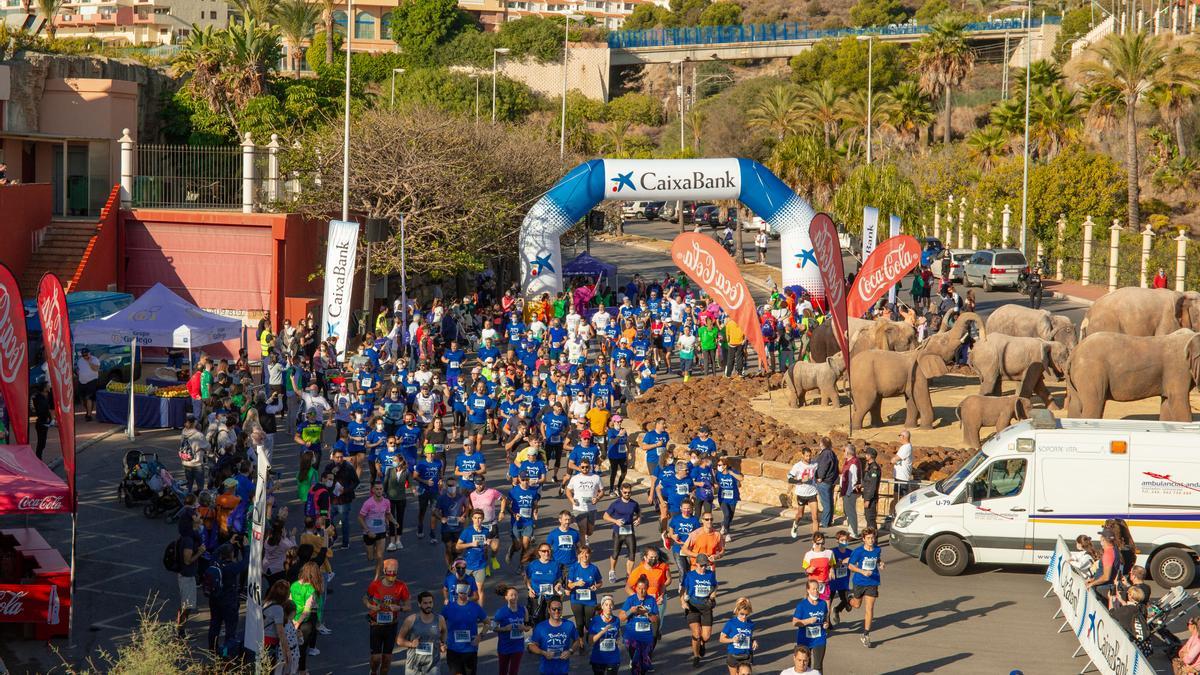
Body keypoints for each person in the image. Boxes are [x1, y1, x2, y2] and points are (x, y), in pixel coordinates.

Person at [364, 559, 411, 675]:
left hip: (391, 626)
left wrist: (399, 608)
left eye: (394, 572)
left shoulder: (401, 586)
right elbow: (365, 598)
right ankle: (373, 672)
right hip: (376, 624)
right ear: (384, 571)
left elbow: (408, 606)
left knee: (387, 659)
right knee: (376, 658)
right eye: (389, 572)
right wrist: (370, 605)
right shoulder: (375, 585)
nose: (392, 575)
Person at [844, 527, 884, 647]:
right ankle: (848, 599)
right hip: (860, 581)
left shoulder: (877, 549)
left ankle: (866, 634)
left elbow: (877, 559)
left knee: (869, 608)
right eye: (868, 538)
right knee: (856, 605)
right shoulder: (858, 551)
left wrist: (881, 564)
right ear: (863, 539)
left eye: (873, 538)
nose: (871, 540)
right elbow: (851, 566)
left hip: (873, 582)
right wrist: (862, 571)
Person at [441, 581, 488, 675]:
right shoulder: (448, 607)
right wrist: (442, 642)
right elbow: (439, 625)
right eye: (461, 592)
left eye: (465, 592)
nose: (463, 595)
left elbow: (487, 623)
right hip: (453, 650)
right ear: (456, 591)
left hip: (470, 650)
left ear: (469, 592)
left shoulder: (475, 607)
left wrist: (480, 636)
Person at [682, 553, 719, 667]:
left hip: (706, 607)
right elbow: (682, 589)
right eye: (701, 565)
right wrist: (683, 602)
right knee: (696, 633)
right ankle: (696, 655)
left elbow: (715, 586)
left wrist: (712, 596)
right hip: (692, 606)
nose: (703, 568)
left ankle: (702, 643)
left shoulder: (710, 574)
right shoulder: (689, 575)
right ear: (696, 564)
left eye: (705, 565)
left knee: (706, 636)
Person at [396, 591, 447, 675]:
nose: (428, 605)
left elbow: (444, 631)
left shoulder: (440, 619)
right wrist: (411, 644)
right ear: (419, 604)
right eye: (425, 603)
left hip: (433, 665)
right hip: (413, 665)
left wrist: (442, 643)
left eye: (430, 602)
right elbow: (399, 640)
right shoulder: (411, 620)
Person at [528, 596, 581, 674]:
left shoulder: (569, 625)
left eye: (559, 609)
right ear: (549, 610)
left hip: (562, 670)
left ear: (562, 610)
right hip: (546, 670)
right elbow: (531, 646)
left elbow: (577, 641)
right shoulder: (541, 627)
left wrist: (570, 651)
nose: (556, 611)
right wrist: (543, 653)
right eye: (554, 609)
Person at [175, 510, 207, 638]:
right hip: (186, 576)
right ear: (192, 520)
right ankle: (180, 631)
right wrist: (200, 552)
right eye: (197, 515)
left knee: (186, 604)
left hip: (188, 575)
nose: (200, 516)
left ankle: (180, 627)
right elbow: (187, 560)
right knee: (187, 605)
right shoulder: (188, 539)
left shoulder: (191, 535)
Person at [619, 576, 659, 675]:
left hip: (646, 637)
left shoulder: (651, 600)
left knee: (644, 663)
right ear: (636, 588)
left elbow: (655, 620)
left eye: (644, 588)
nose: (641, 591)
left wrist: (646, 613)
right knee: (636, 661)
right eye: (639, 588)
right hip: (632, 636)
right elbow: (621, 617)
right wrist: (630, 611)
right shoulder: (631, 600)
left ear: (647, 588)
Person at [603, 482, 642, 583]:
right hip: (618, 532)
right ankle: (612, 570)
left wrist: (638, 519)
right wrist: (615, 521)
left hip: (629, 531)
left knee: (632, 554)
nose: (627, 494)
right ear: (621, 492)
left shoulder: (634, 503)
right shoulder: (615, 504)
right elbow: (605, 516)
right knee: (616, 553)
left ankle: (629, 574)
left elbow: (639, 513)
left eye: (629, 492)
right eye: (625, 492)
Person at [290, 562, 325, 670]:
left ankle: (291, 669)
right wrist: (298, 623)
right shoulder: (311, 589)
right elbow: (307, 610)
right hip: (306, 621)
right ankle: (302, 670)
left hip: (293, 617)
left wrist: (291, 620)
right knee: (302, 648)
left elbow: (290, 601)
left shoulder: (294, 585)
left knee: (291, 645)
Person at [457, 509, 494, 607]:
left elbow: (489, 544)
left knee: (480, 590)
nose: (478, 520)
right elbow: (458, 546)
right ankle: (462, 608)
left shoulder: (486, 531)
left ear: (483, 519)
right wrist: (471, 544)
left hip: (480, 565)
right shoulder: (467, 531)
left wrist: (488, 544)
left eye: (480, 518)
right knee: (463, 589)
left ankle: (480, 613)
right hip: (467, 565)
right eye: (475, 518)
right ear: (472, 519)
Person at [359, 483, 396, 579]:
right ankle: (373, 553)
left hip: (381, 532)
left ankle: (377, 577)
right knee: (370, 557)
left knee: (380, 556)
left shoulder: (387, 502)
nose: (379, 491)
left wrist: (394, 522)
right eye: (377, 489)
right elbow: (360, 518)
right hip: (369, 533)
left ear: (383, 490)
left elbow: (388, 514)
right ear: (373, 490)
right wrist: (367, 531)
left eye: (380, 489)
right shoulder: (368, 503)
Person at [792, 579, 830, 671]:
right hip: (805, 640)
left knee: (818, 666)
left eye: (817, 589)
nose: (816, 591)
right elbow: (795, 622)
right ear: (808, 590)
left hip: (819, 639)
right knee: (804, 666)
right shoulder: (802, 605)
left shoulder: (823, 603)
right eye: (813, 589)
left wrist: (826, 624)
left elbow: (825, 618)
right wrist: (808, 621)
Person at [492, 584, 528, 675]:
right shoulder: (501, 612)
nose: (514, 597)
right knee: (503, 671)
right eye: (511, 595)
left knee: (514, 671)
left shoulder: (523, 610)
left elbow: (529, 626)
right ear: (506, 597)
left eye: (515, 595)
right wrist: (504, 629)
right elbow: (493, 628)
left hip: (518, 646)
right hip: (504, 646)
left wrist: (524, 628)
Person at [567, 544, 604, 633]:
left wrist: (596, 586)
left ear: (590, 555)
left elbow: (600, 582)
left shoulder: (594, 568)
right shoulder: (574, 568)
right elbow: (569, 585)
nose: (584, 556)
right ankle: (580, 639)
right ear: (579, 555)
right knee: (579, 623)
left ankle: (589, 636)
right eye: (582, 554)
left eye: (587, 553)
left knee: (588, 623)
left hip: (590, 600)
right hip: (576, 600)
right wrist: (577, 583)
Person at [567, 458, 605, 544]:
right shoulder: (575, 478)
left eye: (587, 467)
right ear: (580, 467)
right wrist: (572, 500)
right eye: (583, 467)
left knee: (590, 531)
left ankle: (584, 535)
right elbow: (568, 490)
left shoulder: (596, 477)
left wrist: (597, 498)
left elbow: (602, 491)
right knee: (583, 530)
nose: (585, 469)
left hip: (591, 508)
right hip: (578, 508)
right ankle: (584, 547)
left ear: (590, 467)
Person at [719, 597, 758, 675]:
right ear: (737, 611)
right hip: (734, 655)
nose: (744, 617)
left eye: (746, 614)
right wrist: (732, 640)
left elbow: (749, 637)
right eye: (742, 614)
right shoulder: (731, 623)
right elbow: (721, 639)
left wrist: (754, 641)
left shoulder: (751, 624)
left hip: (746, 655)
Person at [435, 477, 469, 567]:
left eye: (453, 485)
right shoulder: (442, 498)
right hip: (446, 528)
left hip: (459, 527)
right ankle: (450, 567)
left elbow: (467, 508)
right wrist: (441, 518)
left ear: (456, 485)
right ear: (446, 486)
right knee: (448, 547)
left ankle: (456, 561)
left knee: (458, 549)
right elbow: (435, 511)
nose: (451, 487)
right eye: (449, 485)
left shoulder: (461, 497)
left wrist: (463, 516)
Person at [788, 447, 820, 539]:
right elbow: (789, 479)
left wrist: (819, 478)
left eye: (810, 456)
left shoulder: (815, 464)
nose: (809, 458)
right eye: (807, 456)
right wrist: (801, 480)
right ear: (802, 455)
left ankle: (816, 539)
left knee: (815, 517)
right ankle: (795, 524)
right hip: (801, 494)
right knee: (800, 515)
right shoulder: (797, 466)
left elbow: (818, 474)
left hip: (812, 493)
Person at [588, 594, 622, 675]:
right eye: (606, 605)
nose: (609, 607)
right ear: (602, 606)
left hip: (613, 658)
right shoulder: (595, 620)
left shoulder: (616, 620)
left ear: (613, 606)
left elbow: (618, 635)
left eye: (611, 605)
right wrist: (603, 632)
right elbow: (590, 642)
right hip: (598, 658)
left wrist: (619, 641)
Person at [714, 456, 743, 541]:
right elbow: (715, 482)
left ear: (725, 465)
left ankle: (724, 525)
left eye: (720, 465)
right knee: (726, 514)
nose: (718, 467)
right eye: (718, 465)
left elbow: (741, 478)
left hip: (733, 497)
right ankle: (727, 533)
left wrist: (732, 474)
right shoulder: (718, 474)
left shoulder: (732, 471)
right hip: (722, 498)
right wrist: (715, 486)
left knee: (730, 516)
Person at [838, 445, 861, 538]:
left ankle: (853, 533)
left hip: (850, 492)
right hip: (847, 491)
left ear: (848, 453)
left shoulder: (853, 463)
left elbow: (853, 480)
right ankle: (851, 530)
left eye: (844, 451)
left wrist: (848, 493)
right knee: (848, 512)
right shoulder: (849, 462)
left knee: (851, 512)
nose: (843, 453)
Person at [860, 448, 882, 532]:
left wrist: (868, 499)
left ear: (870, 456)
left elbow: (873, 485)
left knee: (870, 519)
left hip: (871, 498)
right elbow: (868, 481)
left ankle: (873, 539)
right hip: (867, 495)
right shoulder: (869, 466)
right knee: (868, 518)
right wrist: (861, 485)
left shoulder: (874, 468)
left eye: (866, 454)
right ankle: (869, 536)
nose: (865, 455)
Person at [76, 347, 101, 421]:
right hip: (82, 381)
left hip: (92, 380)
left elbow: (96, 369)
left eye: (86, 355)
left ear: (89, 353)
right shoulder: (80, 360)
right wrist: (77, 372)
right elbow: (78, 369)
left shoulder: (95, 360)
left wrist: (89, 362)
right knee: (83, 400)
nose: (85, 356)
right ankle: (88, 411)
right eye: (83, 355)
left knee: (89, 398)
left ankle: (89, 415)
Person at [893, 430, 914, 504]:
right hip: (900, 477)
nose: (899, 438)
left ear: (904, 437)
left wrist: (894, 459)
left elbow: (894, 459)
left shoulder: (906, 447)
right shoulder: (905, 447)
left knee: (900, 500)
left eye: (900, 436)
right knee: (897, 498)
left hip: (902, 478)